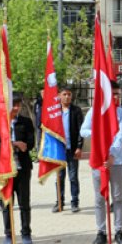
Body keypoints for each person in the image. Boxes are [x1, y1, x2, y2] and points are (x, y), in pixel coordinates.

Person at [81, 82, 122, 244]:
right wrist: (98, 133)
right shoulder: (94, 112)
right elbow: (83, 130)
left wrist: (112, 154)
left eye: (118, 94)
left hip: (117, 161)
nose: (116, 97)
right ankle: (101, 232)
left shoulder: (121, 113)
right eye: (113, 93)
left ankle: (119, 231)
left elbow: (121, 136)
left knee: (118, 197)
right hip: (99, 160)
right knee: (99, 198)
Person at [0, 96, 36, 244]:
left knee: (24, 203)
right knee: (6, 203)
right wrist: (13, 144)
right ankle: (8, 235)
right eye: (13, 105)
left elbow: (30, 143)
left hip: (22, 168)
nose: (16, 108)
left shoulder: (26, 122)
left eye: (18, 105)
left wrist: (23, 145)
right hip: (5, 170)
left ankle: (26, 234)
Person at [53, 85, 84, 213]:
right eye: (64, 94)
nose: (67, 97)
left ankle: (75, 202)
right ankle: (59, 202)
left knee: (73, 177)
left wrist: (79, 147)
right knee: (59, 177)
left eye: (69, 95)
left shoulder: (76, 111)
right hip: (59, 150)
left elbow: (81, 130)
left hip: (72, 149)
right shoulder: (55, 111)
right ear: (59, 96)